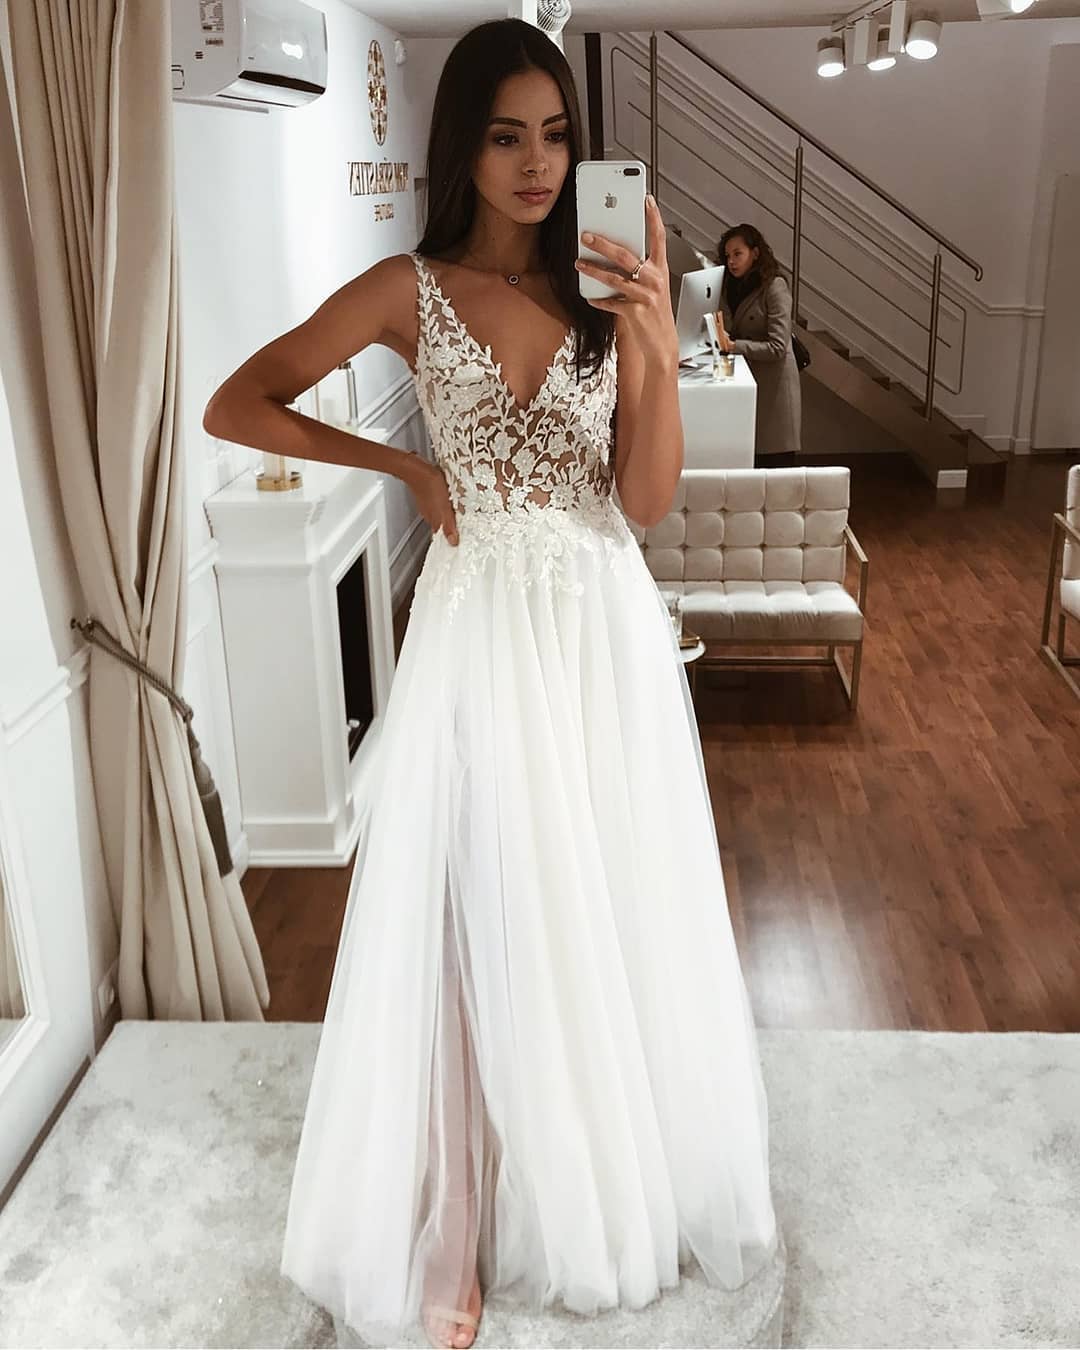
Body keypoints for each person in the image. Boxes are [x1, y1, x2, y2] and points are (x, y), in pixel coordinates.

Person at [203, 20, 784, 1350]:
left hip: (595, 625)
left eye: (559, 135)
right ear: (460, 144)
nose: (538, 164)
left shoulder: (610, 280)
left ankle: (604, 1160)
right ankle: (455, 1208)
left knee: (601, 894)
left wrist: (651, 341)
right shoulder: (406, 289)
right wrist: (406, 469)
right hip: (475, 631)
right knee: (471, 906)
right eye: (507, 134)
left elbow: (644, 499)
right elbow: (238, 404)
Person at [714, 224, 801, 458]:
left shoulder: (774, 286)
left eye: (738, 254)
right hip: (748, 382)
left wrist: (734, 346)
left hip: (774, 387)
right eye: (728, 256)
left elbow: (778, 347)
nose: (731, 261)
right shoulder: (730, 288)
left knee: (775, 463)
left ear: (755, 253)